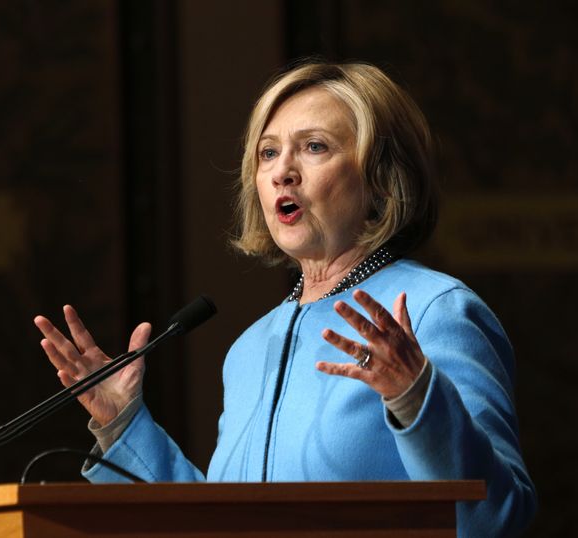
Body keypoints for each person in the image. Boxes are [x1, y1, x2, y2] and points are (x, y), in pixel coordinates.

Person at [34, 61, 536, 536]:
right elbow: (220, 526)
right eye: (269, 152)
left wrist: (417, 396)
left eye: (314, 147)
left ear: (381, 179)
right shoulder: (251, 349)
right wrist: (124, 427)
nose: (282, 172)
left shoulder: (435, 311)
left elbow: (498, 518)